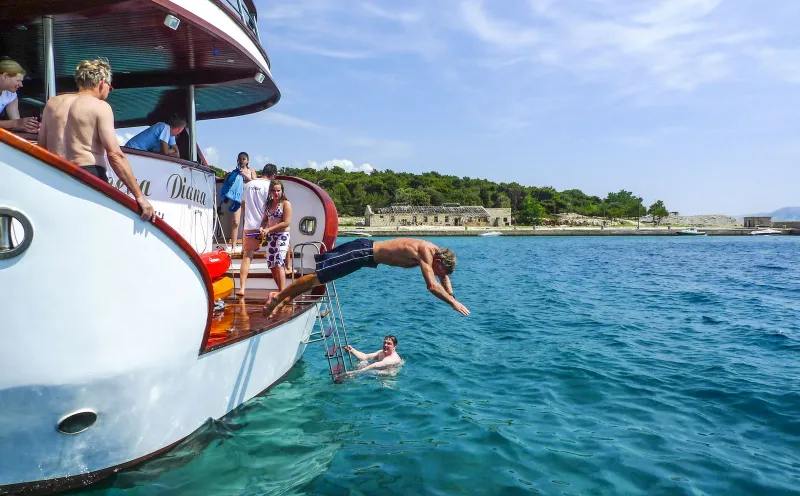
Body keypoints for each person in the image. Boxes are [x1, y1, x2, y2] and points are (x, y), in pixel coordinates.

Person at [263, 238, 470, 317]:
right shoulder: (425, 251)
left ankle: (285, 299)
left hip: (365, 258)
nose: (440, 275)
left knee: (321, 278)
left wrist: (453, 294)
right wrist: (452, 302)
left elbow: (443, 279)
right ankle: (279, 296)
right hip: (362, 252)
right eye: (441, 271)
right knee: (319, 278)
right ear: (439, 261)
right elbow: (432, 286)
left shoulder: (437, 257)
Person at [59, 59, 154, 221]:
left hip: (55, 173)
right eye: (110, 87)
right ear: (102, 83)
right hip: (88, 175)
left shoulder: (53, 103)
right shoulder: (100, 107)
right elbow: (114, 155)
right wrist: (140, 197)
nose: (109, 91)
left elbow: (42, 146)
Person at [237, 162, 276, 296]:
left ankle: (242, 288)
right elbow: (272, 206)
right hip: (266, 226)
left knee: (247, 257)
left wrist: (249, 215)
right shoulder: (269, 186)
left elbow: (242, 205)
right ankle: (282, 285)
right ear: (273, 175)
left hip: (249, 225)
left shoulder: (248, 185)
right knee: (276, 255)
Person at [259, 180, 292, 300]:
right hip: (271, 237)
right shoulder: (269, 204)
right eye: (274, 191)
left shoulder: (285, 204)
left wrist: (270, 229)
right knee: (272, 265)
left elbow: (286, 222)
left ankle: (282, 293)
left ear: (282, 191)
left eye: (278, 190)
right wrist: (262, 227)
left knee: (279, 263)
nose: (276, 193)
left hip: (282, 235)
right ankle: (281, 291)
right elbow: (265, 219)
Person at [228, 152, 258, 252]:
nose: (241, 161)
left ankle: (246, 246)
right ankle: (233, 246)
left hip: (248, 198)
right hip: (238, 197)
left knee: (247, 222)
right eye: (240, 159)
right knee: (235, 222)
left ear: (247, 160)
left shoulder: (251, 170)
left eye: (244, 159)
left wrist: (245, 174)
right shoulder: (235, 171)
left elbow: (255, 183)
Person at [0, 58, 39, 134]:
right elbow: (15, 122)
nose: (21, 85)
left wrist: (30, 125)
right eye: (18, 80)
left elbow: (15, 121)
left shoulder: (11, 94)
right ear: (5, 76)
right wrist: (16, 123)